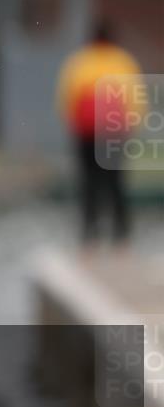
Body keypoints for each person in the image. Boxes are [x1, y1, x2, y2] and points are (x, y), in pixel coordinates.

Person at [56, 20, 143, 245]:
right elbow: (135, 98)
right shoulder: (122, 61)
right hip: (114, 131)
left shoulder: (80, 62)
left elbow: (68, 97)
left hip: (86, 132)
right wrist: (133, 125)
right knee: (115, 181)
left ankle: (89, 231)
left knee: (88, 180)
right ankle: (120, 232)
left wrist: (70, 123)